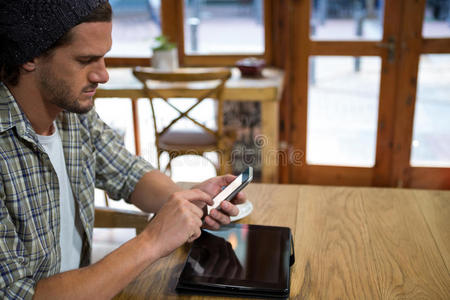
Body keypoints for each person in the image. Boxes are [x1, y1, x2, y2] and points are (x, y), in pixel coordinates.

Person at [0, 1, 245, 298]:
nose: (103, 76)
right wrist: (152, 240)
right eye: (85, 60)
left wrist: (185, 202)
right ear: (29, 57)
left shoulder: (72, 115)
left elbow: (128, 172)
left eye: (103, 58)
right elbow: (16, 295)